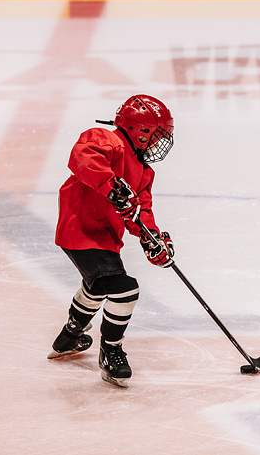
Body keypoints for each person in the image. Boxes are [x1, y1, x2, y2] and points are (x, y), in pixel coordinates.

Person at [48, 94, 176, 389]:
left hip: (105, 237)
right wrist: (110, 184)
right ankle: (111, 351)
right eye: (156, 135)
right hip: (79, 230)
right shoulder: (106, 139)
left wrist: (151, 238)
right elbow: (83, 156)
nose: (158, 143)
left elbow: (141, 211)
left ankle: (69, 336)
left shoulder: (143, 171)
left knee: (97, 287)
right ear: (139, 130)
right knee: (124, 289)